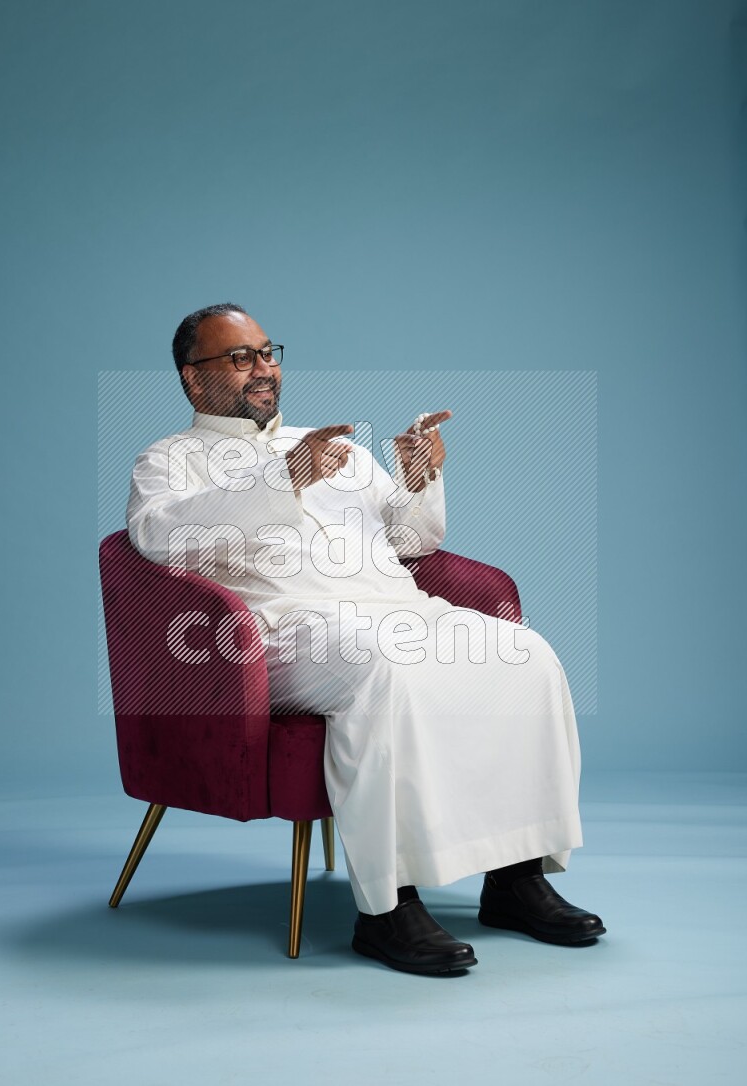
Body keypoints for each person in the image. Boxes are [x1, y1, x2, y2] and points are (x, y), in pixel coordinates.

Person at [126, 302, 606, 975]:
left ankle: (516, 879)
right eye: (241, 357)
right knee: (386, 667)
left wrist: (416, 476)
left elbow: (413, 541)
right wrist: (283, 479)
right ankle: (388, 909)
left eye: (269, 352)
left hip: (395, 609)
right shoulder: (168, 461)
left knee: (526, 655)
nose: (263, 368)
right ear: (191, 378)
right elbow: (159, 539)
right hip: (283, 635)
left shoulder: (340, 451)